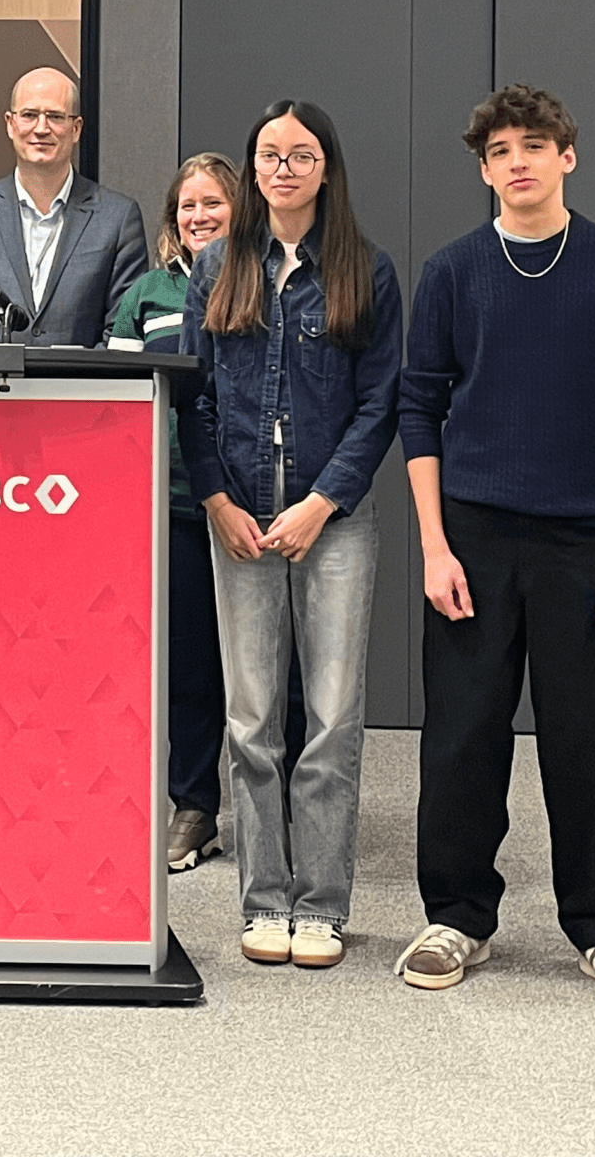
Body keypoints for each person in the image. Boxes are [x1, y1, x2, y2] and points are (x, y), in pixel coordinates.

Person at [396, 84, 595, 1012]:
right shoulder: (450, 271)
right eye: (500, 150)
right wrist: (434, 546)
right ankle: (459, 916)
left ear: (568, 157)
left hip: (587, 537)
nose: (517, 161)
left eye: (536, 144)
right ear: (483, 169)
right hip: (472, 534)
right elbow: (419, 411)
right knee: (463, 736)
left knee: (588, 740)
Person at [180, 105, 402, 970]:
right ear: (252, 169)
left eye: (299, 154)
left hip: (331, 521)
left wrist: (324, 500)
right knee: (251, 717)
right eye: (268, 154)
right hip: (237, 516)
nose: (283, 167)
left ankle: (322, 906)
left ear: (325, 167)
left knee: (334, 716)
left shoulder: (364, 271)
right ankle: (263, 900)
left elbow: (381, 402)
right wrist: (215, 500)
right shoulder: (215, 268)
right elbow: (192, 398)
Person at [108, 152, 240, 874]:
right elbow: (118, 407)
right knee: (188, 667)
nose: (199, 216)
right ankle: (194, 806)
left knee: (266, 672)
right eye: (187, 205)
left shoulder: (260, 279)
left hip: (254, 507)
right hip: (175, 504)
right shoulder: (146, 295)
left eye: (213, 203)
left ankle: (278, 812)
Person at [0, 66, 148, 347]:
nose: (41, 129)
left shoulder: (118, 217)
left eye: (55, 116)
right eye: (29, 115)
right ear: (10, 123)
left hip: (83, 389)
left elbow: (123, 332)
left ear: (76, 128)